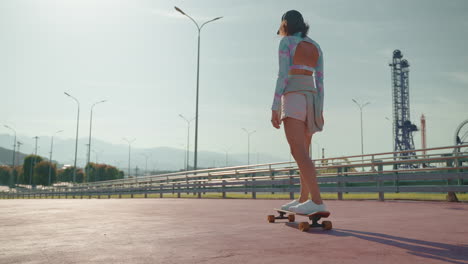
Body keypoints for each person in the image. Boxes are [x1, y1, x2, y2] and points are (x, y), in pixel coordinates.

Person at [270, 10, 327, 214]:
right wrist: (319, 109)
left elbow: (283, 75)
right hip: (311, 99)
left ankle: (317, 201)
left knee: (298, 151)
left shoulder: (287, 43)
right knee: (305, 152)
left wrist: (275, 105)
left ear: (285, 24)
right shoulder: (316, 46)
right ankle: (304, 198)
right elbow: (320, 81)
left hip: (293, 95)